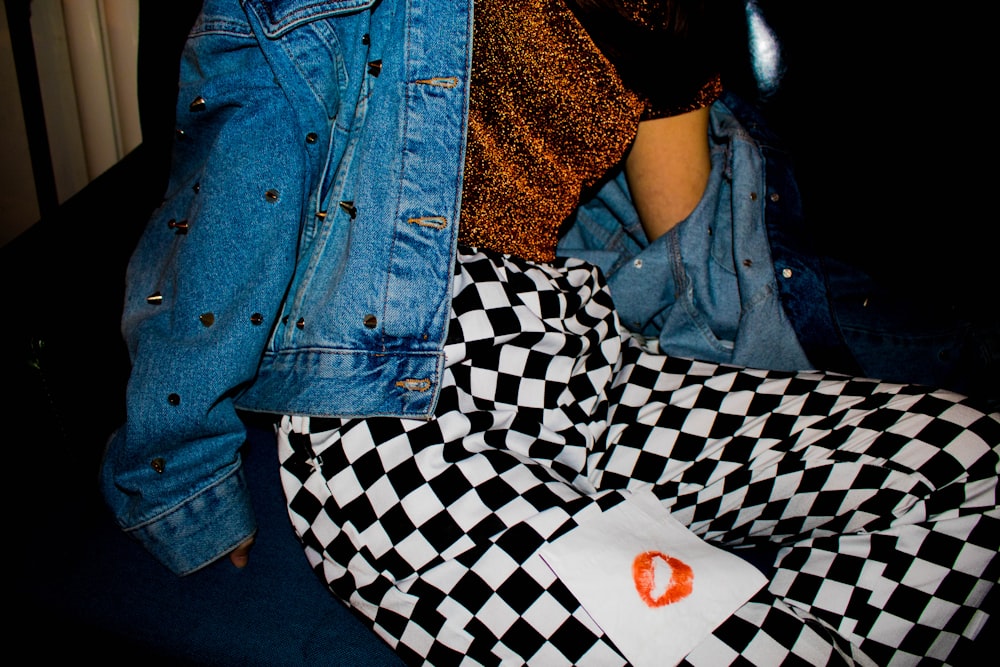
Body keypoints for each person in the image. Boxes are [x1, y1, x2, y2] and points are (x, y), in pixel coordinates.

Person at [101, 0, 999, 665]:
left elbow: (685, 255)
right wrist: (179, 473)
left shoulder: (663, 14)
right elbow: (228, 205)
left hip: (578, 354)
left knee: (976, 466)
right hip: (399, 411)